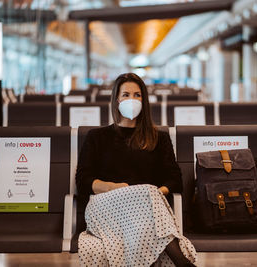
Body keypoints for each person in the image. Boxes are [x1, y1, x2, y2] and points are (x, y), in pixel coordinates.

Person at [76, 73, 197, 266]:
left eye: (137, 95)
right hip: (106, 209)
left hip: (149, 211)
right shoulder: (96, 137)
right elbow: (83, 181)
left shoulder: (160, 138)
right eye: (125, 95)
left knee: (146, 193)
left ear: (144, 101)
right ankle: (182, 262)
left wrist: (149, 196)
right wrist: (114, 188)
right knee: (145, 194)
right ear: (116, 100)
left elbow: (175, 180)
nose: (131, 100)